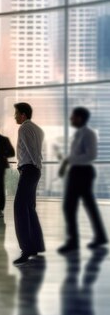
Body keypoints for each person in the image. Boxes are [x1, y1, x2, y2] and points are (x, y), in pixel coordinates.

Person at [57, 107, 108, 253]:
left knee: (69, 206)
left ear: (80, 118)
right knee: (87, 205)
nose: (71, 119)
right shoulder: (78, 133)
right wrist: (67, 161)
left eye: (73, 117)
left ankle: (74, 242)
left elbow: (91, 155)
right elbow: (76, 154)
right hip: (77, 171)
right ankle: (100, 237)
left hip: (83, 172)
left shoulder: (89, 134)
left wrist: (69, 160)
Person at [11, 102, 45, 265]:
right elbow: (37, 150)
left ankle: (27, 249)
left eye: (16, 113)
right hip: (34, 170)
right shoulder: (38, 129)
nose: (15, 116)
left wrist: (32, 166)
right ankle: (37, 245)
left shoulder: (24, 128)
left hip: (30, 169)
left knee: (19, 207)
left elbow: (31, 150)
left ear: (23, 114)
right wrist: (38, 167)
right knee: (29, 208)